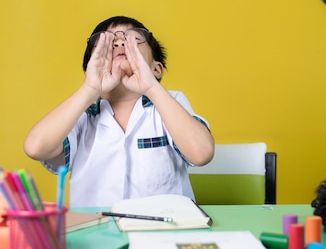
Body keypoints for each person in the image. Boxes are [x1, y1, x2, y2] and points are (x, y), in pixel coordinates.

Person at [24, 16, 215, 207]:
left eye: (134, 40)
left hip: (162, 231)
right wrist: (90, 88)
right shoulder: (81, 114)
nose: (120, 42)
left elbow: (201, 153)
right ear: (89, 71)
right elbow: (35, 147)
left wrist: (151, 87)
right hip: (96, 233)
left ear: (156, 69)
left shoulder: (170, 103)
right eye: (108, 43)